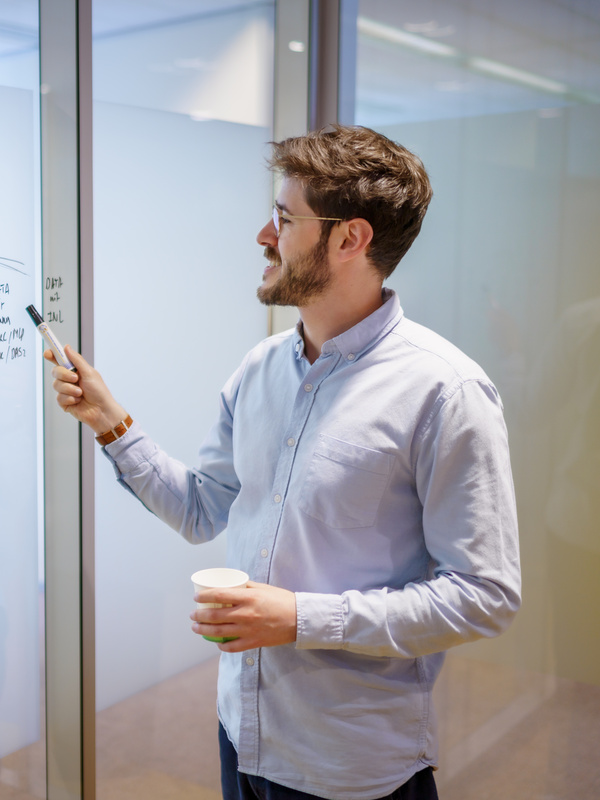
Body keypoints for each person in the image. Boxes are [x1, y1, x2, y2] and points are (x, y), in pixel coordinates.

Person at [47, 125, 521, 800]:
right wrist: (109, 422)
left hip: (351, 766)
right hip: (242, 734)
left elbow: (485, 596)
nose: (263, 235)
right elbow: (203, 509)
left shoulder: (445, 391)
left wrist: (299, 617)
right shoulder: (260, 369)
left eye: (283, 217)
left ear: (350, 239)